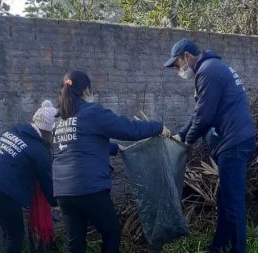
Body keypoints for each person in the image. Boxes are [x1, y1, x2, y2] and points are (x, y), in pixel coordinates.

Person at [52, 70, 171, 253]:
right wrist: (157, 127)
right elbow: (127, 129)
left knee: (75, 242)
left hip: (63, 191)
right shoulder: (92, 112)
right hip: (89, 187)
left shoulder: (60, 120)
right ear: (86, 90)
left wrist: (115, 149)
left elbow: (77, 146)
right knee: (111, 232)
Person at [164, 39, 256, 253]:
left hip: (234, 142)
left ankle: (238, 249)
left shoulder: (208, 71)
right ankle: (219, 246)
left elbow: (205, 116)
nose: (178, 70)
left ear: (186, 56)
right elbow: (200, 112)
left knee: (233, 202)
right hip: (235, 139)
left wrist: (186, 143)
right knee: (224, 198)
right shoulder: (213, 67)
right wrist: (181, 135)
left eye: (177, 64)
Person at [0, 100, 59, 253]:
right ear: (49, 132)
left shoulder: (17, 130)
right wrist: (57, 204)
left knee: (8, 233)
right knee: (16, 235)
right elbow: (47, 185)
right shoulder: (40, 151)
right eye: (53, 134)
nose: (53, 139)